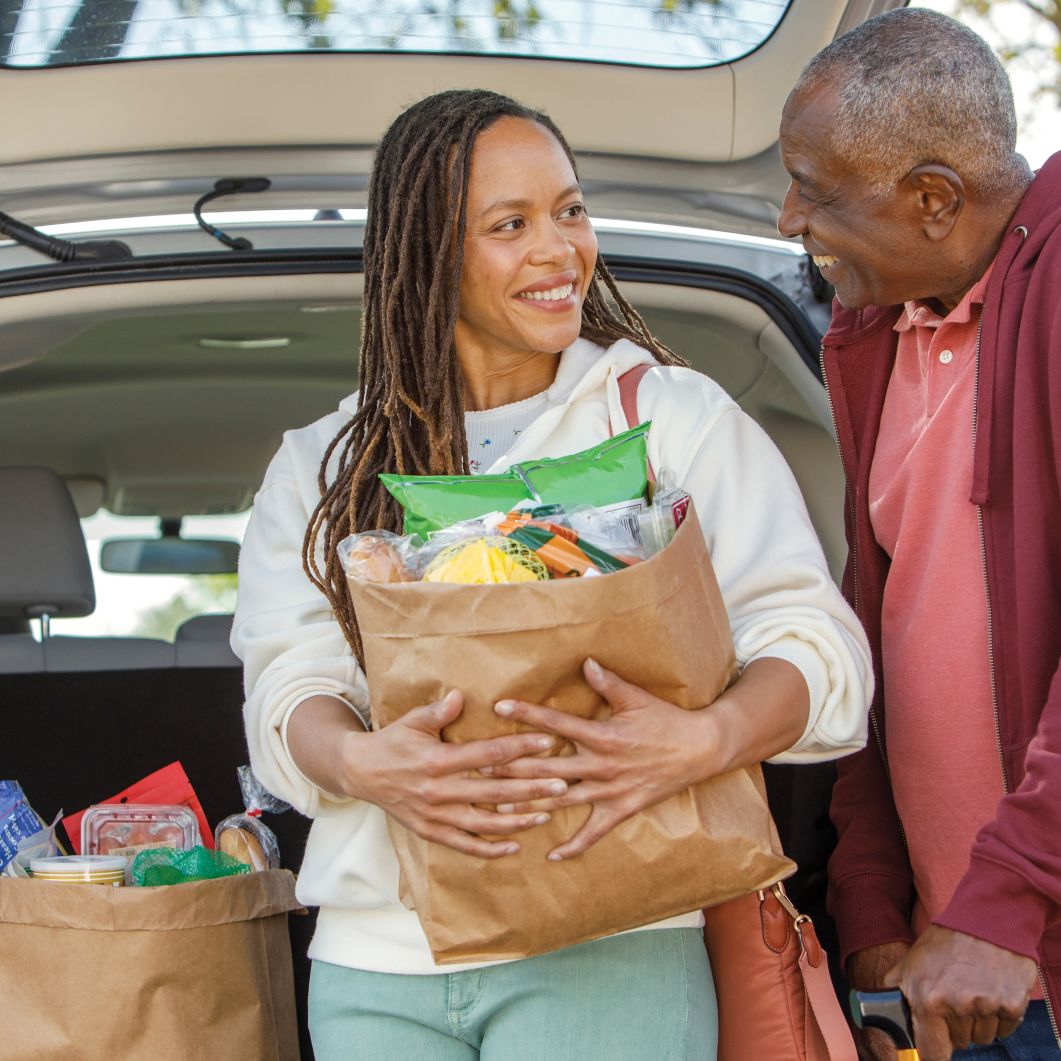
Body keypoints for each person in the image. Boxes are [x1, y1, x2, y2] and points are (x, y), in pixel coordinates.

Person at [233, 88, 872, 1060]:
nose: (556, 248)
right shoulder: (324, 465)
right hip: (373, 965)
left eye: (569, 210)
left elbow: (814, 648)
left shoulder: (669, 419)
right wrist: (358, 759)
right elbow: (289, 685)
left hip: (610, 936)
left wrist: (704, 738)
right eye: (509, 224)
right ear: (427, 252)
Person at [777, 10, 1061, 1061]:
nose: (784, 216)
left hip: (1014, 949)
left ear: (933, 198)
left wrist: (1005, 903)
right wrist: (869, 901)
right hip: (947, 977)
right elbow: (878, 632)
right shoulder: (874, 329)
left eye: (812, 186)